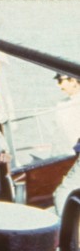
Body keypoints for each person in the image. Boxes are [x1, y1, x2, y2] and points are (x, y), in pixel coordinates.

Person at [52, 71, 80, 215]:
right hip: (73, 154)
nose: (59, 86)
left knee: (62, 194)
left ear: (74, 80)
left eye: (61, 81)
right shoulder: (64, 105)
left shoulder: (68, 107)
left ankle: (67, 234)